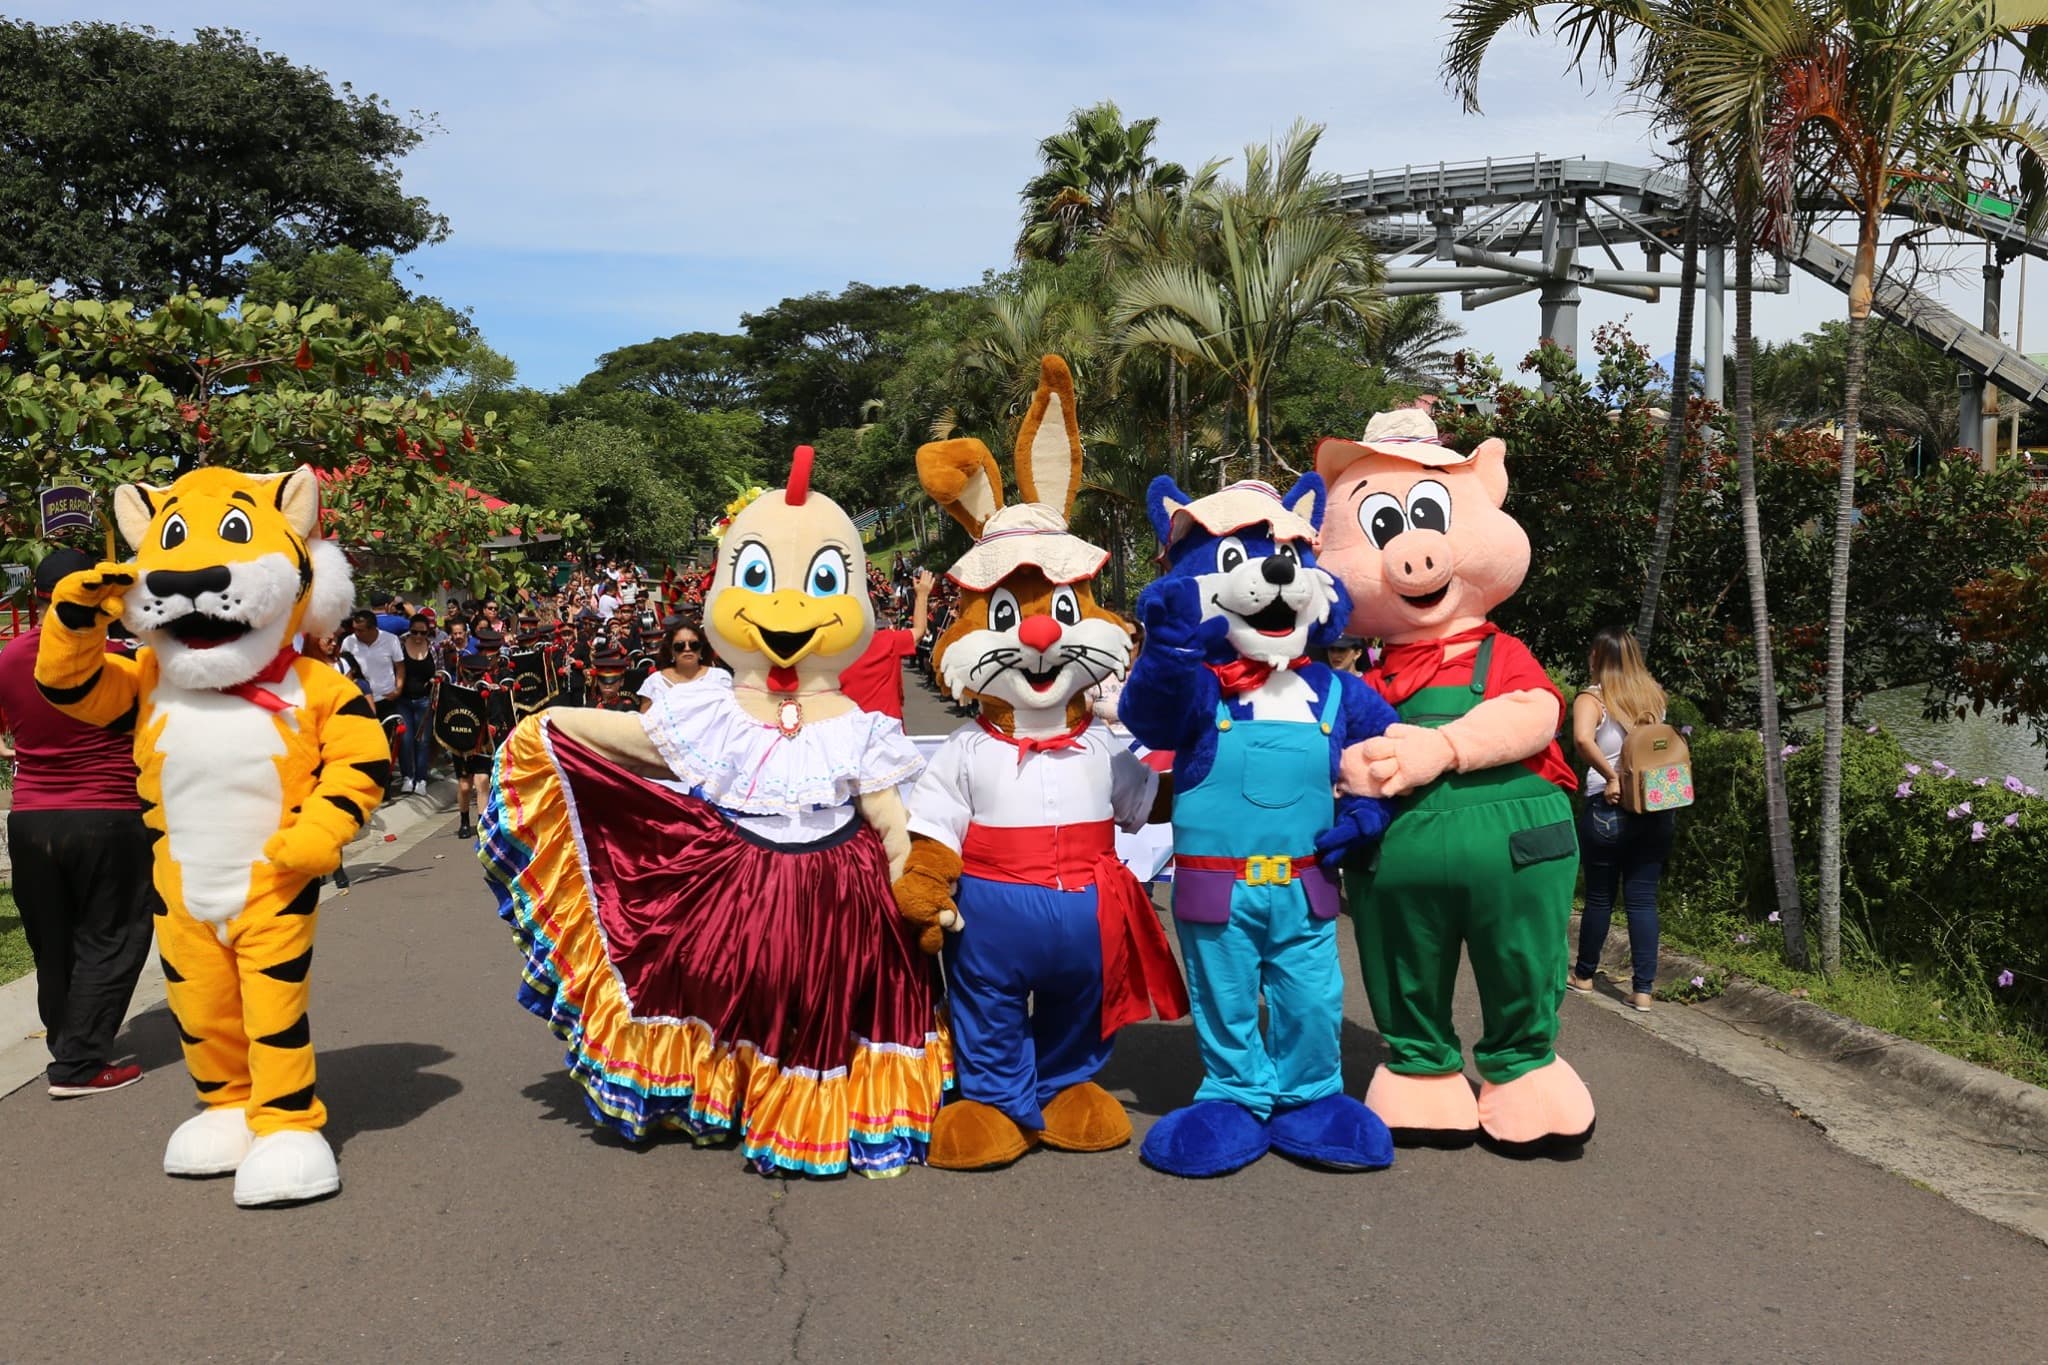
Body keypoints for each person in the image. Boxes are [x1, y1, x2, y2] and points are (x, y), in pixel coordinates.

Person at [0, 548, 159, 1097]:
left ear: (38, 597)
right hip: (108, 813)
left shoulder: (9, 657)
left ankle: (67, 1044)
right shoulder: (120, 658)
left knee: (53, 941)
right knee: (113, 935)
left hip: (30, 819)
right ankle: (79, 1065)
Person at [1567, 625, 1675, 1013]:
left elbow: (1583, 740)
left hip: (1609, 807)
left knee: (1599, 897)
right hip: (1653, 807)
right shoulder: (1654, 696)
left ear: (1598, 657)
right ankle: (1643, 990)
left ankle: (1584, 975)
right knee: (1642, 900)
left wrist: (1611, 776)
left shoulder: (1593, 698)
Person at [840, 567, 934, 718]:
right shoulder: (887, 640)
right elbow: (919, 630)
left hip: (847, 724)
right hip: (886, 725)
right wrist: (922, 595)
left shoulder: (830, 652)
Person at [637, 618, 730, 710]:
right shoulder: (654, 683)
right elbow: (645, 717)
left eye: (694, 645)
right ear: (671, 650)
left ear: (701, 649)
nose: (687, 649)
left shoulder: (719, 678)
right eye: (680, 646)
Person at [394, 614, 439, 795]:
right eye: (414, 632)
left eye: (423, 633)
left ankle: (421, 779)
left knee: (423, 740)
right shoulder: (399, 645)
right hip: (403, 700)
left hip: (424, 700)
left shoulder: (434, 648)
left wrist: (436, 680)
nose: (418, 636)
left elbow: (440, 670)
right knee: (405, 740)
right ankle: (407, 776)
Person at [340, 609, 404, 717]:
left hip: (387, 699)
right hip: (361, 701)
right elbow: (343, 668)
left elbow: (400, 667)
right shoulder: (348, 642)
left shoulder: (391, 640)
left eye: (360, 630)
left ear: (373, 628)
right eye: (354, 629)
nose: (356, 633)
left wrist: (398, 690)